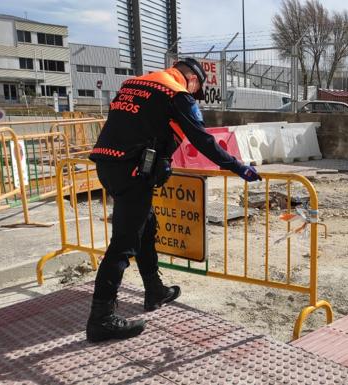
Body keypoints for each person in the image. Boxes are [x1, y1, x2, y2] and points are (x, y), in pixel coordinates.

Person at [86, 58, 261, 343]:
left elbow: (135, 125)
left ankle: (154, 291)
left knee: (146, 226)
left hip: (108, 165)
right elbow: (203, 140)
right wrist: (237, 166)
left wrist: (161, 155)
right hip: (132, 171)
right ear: (192, 78)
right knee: (124, 243)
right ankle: (101, 319)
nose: (194, 95)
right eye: (197, 90)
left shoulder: (133, 83)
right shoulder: (176, 93)